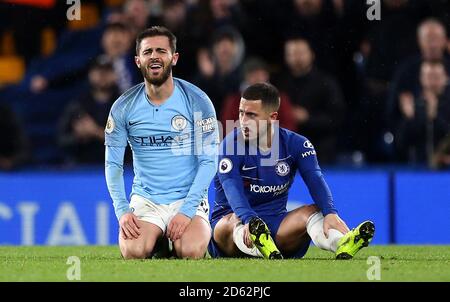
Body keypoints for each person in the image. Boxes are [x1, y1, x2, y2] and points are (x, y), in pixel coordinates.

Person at [208, 82, 374, 259]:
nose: (243, 121)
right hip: (231, 230)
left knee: (312, 212)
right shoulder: (230, 145)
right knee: (233, 220)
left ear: (272, 117)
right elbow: (231, 187)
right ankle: (261, 246)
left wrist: (330, 212)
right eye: (241, 113)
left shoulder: (297, 144)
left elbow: (315, 179)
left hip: (276, 225)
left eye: (251, 115)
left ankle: (341, 243)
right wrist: (249, 218)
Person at [105, 26, 219, 260]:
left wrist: (187, 211)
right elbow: (113, 165)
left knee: (190, 251)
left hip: (188, 198)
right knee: (133, 252)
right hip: (147, 199)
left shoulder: (197, 100)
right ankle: (157, 241)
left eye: (161, 51)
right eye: (148, 52)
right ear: (138, 61)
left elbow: (208, 161)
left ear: (173, 58)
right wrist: (123, 211)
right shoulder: (123, 107)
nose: (154, 56)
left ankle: (172, 240)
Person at [58, 55, 120, 164]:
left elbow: (135, 142)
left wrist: (96, 132)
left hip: (118, 166)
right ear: (90, 74)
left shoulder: (125, 105)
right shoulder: (77, 105)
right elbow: (61, 140)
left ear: (115, 75)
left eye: (107, 71)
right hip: (83, 166)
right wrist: (78, 136)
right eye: (98, 71)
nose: (102, 75)